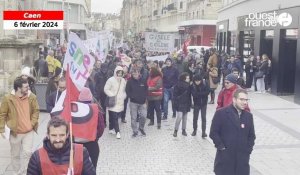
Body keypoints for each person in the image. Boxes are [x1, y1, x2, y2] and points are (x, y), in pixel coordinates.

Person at [27, 117, 96, 175]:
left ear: (67, 134)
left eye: (61, 135)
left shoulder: (81, 152)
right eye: (54, 135)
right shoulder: (37, 157)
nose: (58, 140)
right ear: (47, 135)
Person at [209, 89, 256, 175]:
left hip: (242, 162)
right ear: (234, 99)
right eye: (241, 99)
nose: (245, 102)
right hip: (225, 160)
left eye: (246, 100)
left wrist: (248, 150)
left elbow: (251, 136)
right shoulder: (221, 113)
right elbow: (213, 132)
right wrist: (221, 147)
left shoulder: (248, 116)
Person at [0, 77, 39, 175]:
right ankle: (16, 172)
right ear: (18, 88)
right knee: (15, 155)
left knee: (27, 153)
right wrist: (2, 129)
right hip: (15, 132)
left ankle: (25, 172)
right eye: (25, 87)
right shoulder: (8, 98)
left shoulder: (32, 97)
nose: (28, 88)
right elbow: (2, 114)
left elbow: (36, 111)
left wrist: (32, 123)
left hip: (28, 131)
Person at [75, 87, 105, 169]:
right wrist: (95, 137)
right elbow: (101, 128)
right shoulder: (96, 110)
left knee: (77, 169)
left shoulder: (73, 110)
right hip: (92, 145)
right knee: (91, 168)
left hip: (75, 145)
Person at [104, 66, 127, 139]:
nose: (120, 74)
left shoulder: (123, 80)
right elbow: (106, 89)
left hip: (120, 101)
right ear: (115, 72)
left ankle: (111, 129)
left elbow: (124, 90)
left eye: (121, 73)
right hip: (113, 100)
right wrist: (112, 95)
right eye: (118, 72)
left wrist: (124, 96)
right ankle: (118, 131)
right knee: (115, 117)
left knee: (112, 116)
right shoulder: (110, 80)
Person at [125, 68, 148, 137]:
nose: (135, 74)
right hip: (133, 103)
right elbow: (127, 91)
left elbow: (146, 90)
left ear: (139, 73)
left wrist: (144, 97)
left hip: (142, 102)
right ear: (132, 74)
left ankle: (141, 128)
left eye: (136, 72)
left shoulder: (143, 80)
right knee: (134, 118)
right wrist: (132, 96)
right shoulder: (129, 81)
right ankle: (135, 131)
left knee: (143, 116)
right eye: (133, 73)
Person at [173, 72, 191, 137]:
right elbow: (175, 95)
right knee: (180, 116)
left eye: (189, 78)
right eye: (187, 78)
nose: (189, 79)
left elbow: (189, 95)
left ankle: (183, 130)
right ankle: (175, 130)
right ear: (184, 79)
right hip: (180, 102)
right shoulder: (178, 85)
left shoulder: (189, 85)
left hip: (186, 102)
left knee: (185, 118)